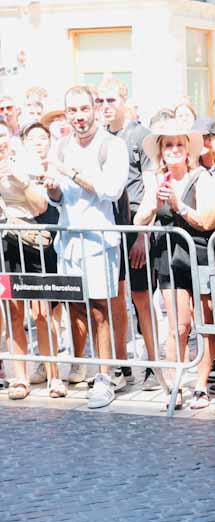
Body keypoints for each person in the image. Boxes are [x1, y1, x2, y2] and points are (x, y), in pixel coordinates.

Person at [45, 85, 129, 409]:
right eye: (73, 111)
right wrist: (53, 189)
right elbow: (60, 197)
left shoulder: (113, 146)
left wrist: (72, 173)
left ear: (94, 108)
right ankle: (87, 369)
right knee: (77, 308)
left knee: (100, 310)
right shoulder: (62, 146)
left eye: (83, 109)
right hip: (69, 241)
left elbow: (110, 190)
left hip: (99, 241)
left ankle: (105, 377)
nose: (79, 117)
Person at [133, 122, 215, 410]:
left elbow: (207, 220)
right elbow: (139, 220)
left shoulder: (203, 178)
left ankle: (200, 386)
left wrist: (178, 205)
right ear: (161, 152)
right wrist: (153, 205)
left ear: (188, 151)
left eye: (179, 145)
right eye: (168, 145)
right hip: (168, 259)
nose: (174, 150)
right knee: (178, 326)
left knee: (205, 324)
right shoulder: (158, 181)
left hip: (198, 254)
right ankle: (175, 386)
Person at [98, 77, 158, 391]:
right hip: (110, 225)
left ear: (124, 100)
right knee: (114, 300)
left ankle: (154, 364)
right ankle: (121, 366)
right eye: (101, 102)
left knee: (142, 298)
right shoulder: (98, 138)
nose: (106, 107)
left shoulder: (140, 135)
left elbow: (151, 189)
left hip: (136, 224)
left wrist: (142, 235)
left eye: (111, 100)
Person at [0, 124, 62, 399]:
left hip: (35, 240)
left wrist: (20, 179)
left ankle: (53, 377)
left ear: (11, 138)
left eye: (2, 135)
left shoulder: (26, 162)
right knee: (13, 313)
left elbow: (41, 206)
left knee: (42, 313)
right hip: (6, 242)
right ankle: (20, 379)